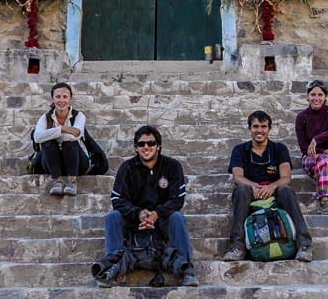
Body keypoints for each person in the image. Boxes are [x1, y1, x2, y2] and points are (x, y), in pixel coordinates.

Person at [100, 125, 198, 287]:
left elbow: (177, 199)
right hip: (135, 222)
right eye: (141, 144)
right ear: (136, 148)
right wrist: (139, 213)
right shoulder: (127, 168)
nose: (146, 147)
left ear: (158, 146)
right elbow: (117, 200)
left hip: (162, 221)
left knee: (177, 217)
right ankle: (113, 269)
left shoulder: (172, 166)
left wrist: (156, 214)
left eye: (151, 143)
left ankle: (187, 270)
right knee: (113, 216)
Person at [222, 110, 313, 263]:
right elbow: (237, 177)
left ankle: (304, 245)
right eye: (255, 126)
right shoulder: (239, 150)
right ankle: (237, 246)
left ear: (269, 129)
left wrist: (271, 187)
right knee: (241, 190)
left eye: (263, 126)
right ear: (249, 128)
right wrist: (255, 187)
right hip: (251, 192)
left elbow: (286, 177)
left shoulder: (279, 149)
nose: (259, 130)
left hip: (275, 192)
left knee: (286, 190)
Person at [295, 79, 328, 215]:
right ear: (308, 97)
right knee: (324, 160)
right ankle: (324, 202)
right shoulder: (302, 117)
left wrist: (316, 139)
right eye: (313, 95)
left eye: (320, 95)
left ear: (325, 97)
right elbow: (303, 147)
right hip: (311, 157)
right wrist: (321, 152)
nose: (316, 98)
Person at [31, 82, 89, 196]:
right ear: (52, 99)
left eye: (65, 97)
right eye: (58, 97)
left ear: (70, 99)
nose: (61, 100)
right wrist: (63, 129)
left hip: (77, 163)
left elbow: (75, 135)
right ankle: (56, 181)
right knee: (48, 143)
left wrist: (50, 133)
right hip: (52, 164)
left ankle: (72, 181)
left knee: (69, 143)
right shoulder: (45, 118)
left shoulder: (79, 116)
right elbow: (37, 137)